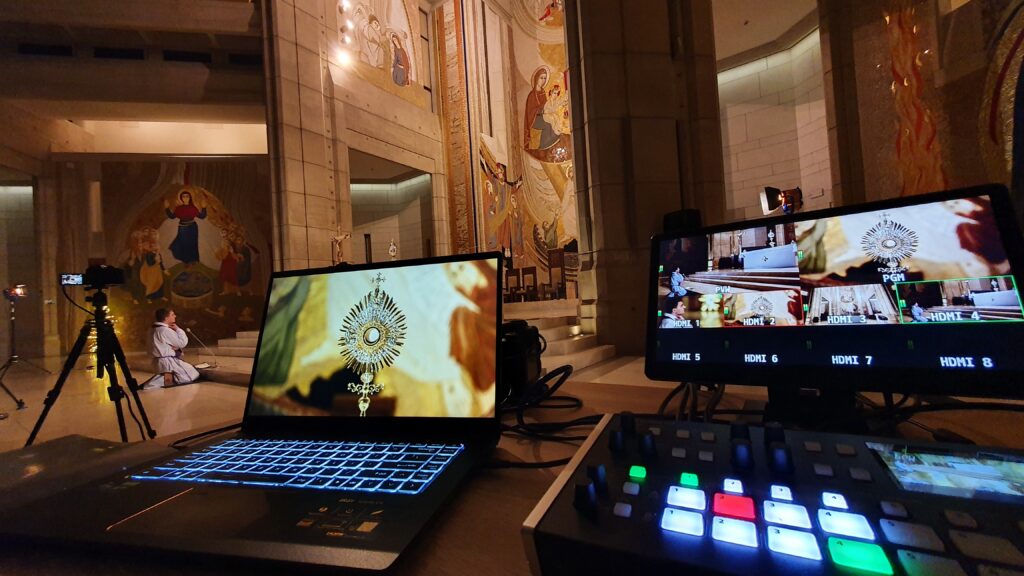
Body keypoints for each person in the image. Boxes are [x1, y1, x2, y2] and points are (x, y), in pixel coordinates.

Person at [147, 308, 200, 387]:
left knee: (185, 373)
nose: (175, 316)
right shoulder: (164, 330)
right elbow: (182, 343)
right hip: (167, 361)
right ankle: (150, 384)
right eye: (172, 314)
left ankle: (164, 379)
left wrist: (173, 348)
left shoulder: (152, 329)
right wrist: (178, 329)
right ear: (166, 317)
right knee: (192, 375)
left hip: (158, 362)